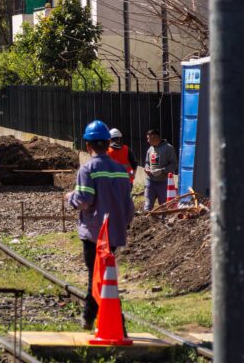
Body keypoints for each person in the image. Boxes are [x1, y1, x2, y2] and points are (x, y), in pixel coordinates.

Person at [65, 120, 134, 330]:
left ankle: (97, 318)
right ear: (108, 143)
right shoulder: (122, 171)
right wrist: (122, 224)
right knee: (104, 275)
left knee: (96, 276)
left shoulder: (87, 169)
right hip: (113, 233)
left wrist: (70, 197)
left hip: (93, 233)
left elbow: (85, 200)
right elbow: (129, 206)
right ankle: (98, 318)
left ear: (88, 145)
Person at [143, 128, 178, 210]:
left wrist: (162, 170)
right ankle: (145, 220)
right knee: (147, 204)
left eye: (150, 139)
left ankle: (164, 220)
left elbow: (174, 164)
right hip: (150, 181)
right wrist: (146, 168)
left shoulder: (168, 148)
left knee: (164, 205)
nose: (148, 141)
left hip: (163, 182)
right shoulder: (150, 149)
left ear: (156, 138)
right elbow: (147, 162)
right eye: (147, 138)